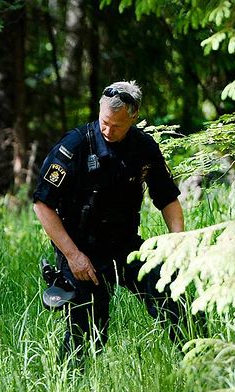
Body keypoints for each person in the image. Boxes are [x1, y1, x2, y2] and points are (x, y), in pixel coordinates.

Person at [32, 81, 187, 366]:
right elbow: (42, 204)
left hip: (126, 244)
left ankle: (201, 362)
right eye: (104, 122)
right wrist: (73, 256)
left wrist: (177, 244)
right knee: (87, 333)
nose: (108, 130)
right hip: (81, 250)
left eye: (116, 125)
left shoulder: (144, 147)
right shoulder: (75, 146)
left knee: (174, 296)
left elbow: (167, 198)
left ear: (134, 116)